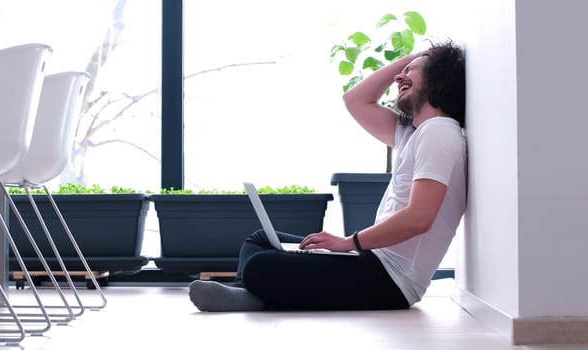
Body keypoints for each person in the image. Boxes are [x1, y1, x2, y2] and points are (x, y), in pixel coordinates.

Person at [188, 40, 466, 312]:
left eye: (412, 69)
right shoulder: (412, 133)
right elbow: (355, 100)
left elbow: (420, 218)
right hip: (371, 260)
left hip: (392, 280)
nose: (399, 76)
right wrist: (414, 57)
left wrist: (348, 243)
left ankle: (252, 292)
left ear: (436, 77)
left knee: (262, 266)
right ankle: (246, 294)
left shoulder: (439, 131)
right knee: (259, 240)